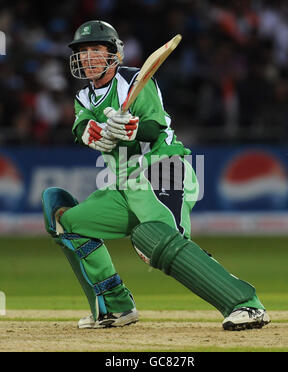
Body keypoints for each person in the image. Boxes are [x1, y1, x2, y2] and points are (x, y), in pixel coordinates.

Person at [41, 20, 270, 331]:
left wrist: (130, 130)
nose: (88, 57)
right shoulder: (84, 97)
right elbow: (81, 125)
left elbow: (154, 126)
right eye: (82, 51)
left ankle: (246, 304)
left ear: (114, 54)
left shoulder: (134, 80)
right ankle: (115, 307)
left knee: (155, 241)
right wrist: (93, 134)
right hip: (126, 184)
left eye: (96, 49)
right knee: (67, 221)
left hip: (163, 169)